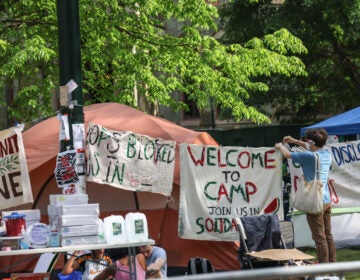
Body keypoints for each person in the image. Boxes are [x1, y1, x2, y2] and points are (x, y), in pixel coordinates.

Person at [275, 128, 336, 263]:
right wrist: (294, 141)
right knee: (328, 235)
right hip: (326, 200)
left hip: (315, 202)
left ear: (309, 141)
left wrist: (280, 146)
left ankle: (323, 270)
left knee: (319, 238)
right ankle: (333, 267)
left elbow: (287, 154)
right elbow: (311, 146)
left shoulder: (308, 156)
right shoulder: (326, 154)